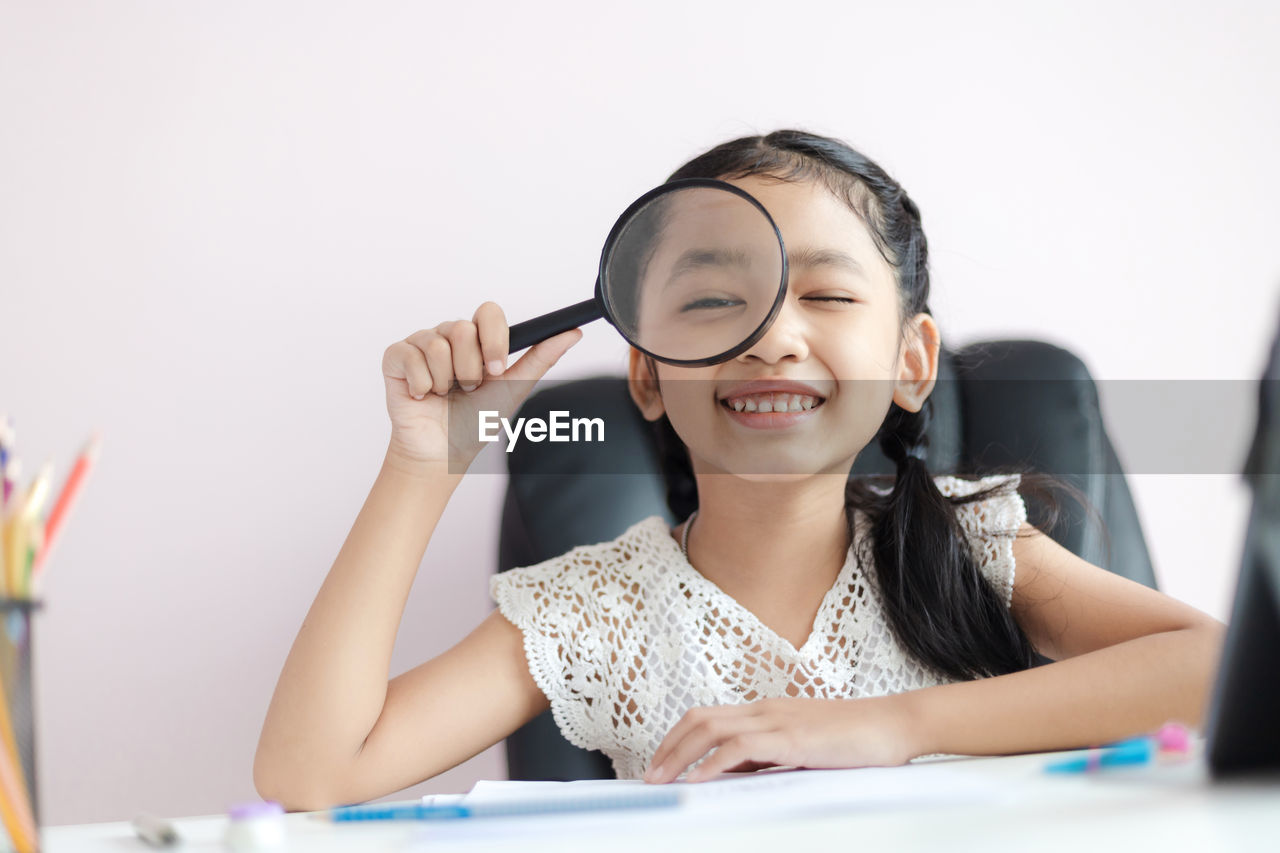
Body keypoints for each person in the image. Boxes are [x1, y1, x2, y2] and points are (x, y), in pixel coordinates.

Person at [253, 130, 1226, 811]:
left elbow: (1214, 670)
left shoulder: (967, 544)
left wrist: (887, 726)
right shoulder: (595, 610)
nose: (770, 335)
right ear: (643, 369)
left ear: (909, 363)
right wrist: (424, 460)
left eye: (825, 292)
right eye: (716, 298)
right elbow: (310, 770)